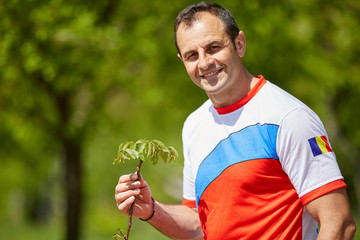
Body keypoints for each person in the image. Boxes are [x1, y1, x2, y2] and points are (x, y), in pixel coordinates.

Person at [115, 2, 356, 239]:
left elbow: (339, 223)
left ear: (239, 44)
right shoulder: (194, 124)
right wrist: (152, 210)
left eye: (213, 47)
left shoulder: (289, 117)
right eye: (191, 55)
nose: (204, 62)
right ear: (182, 61)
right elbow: (200, 223)